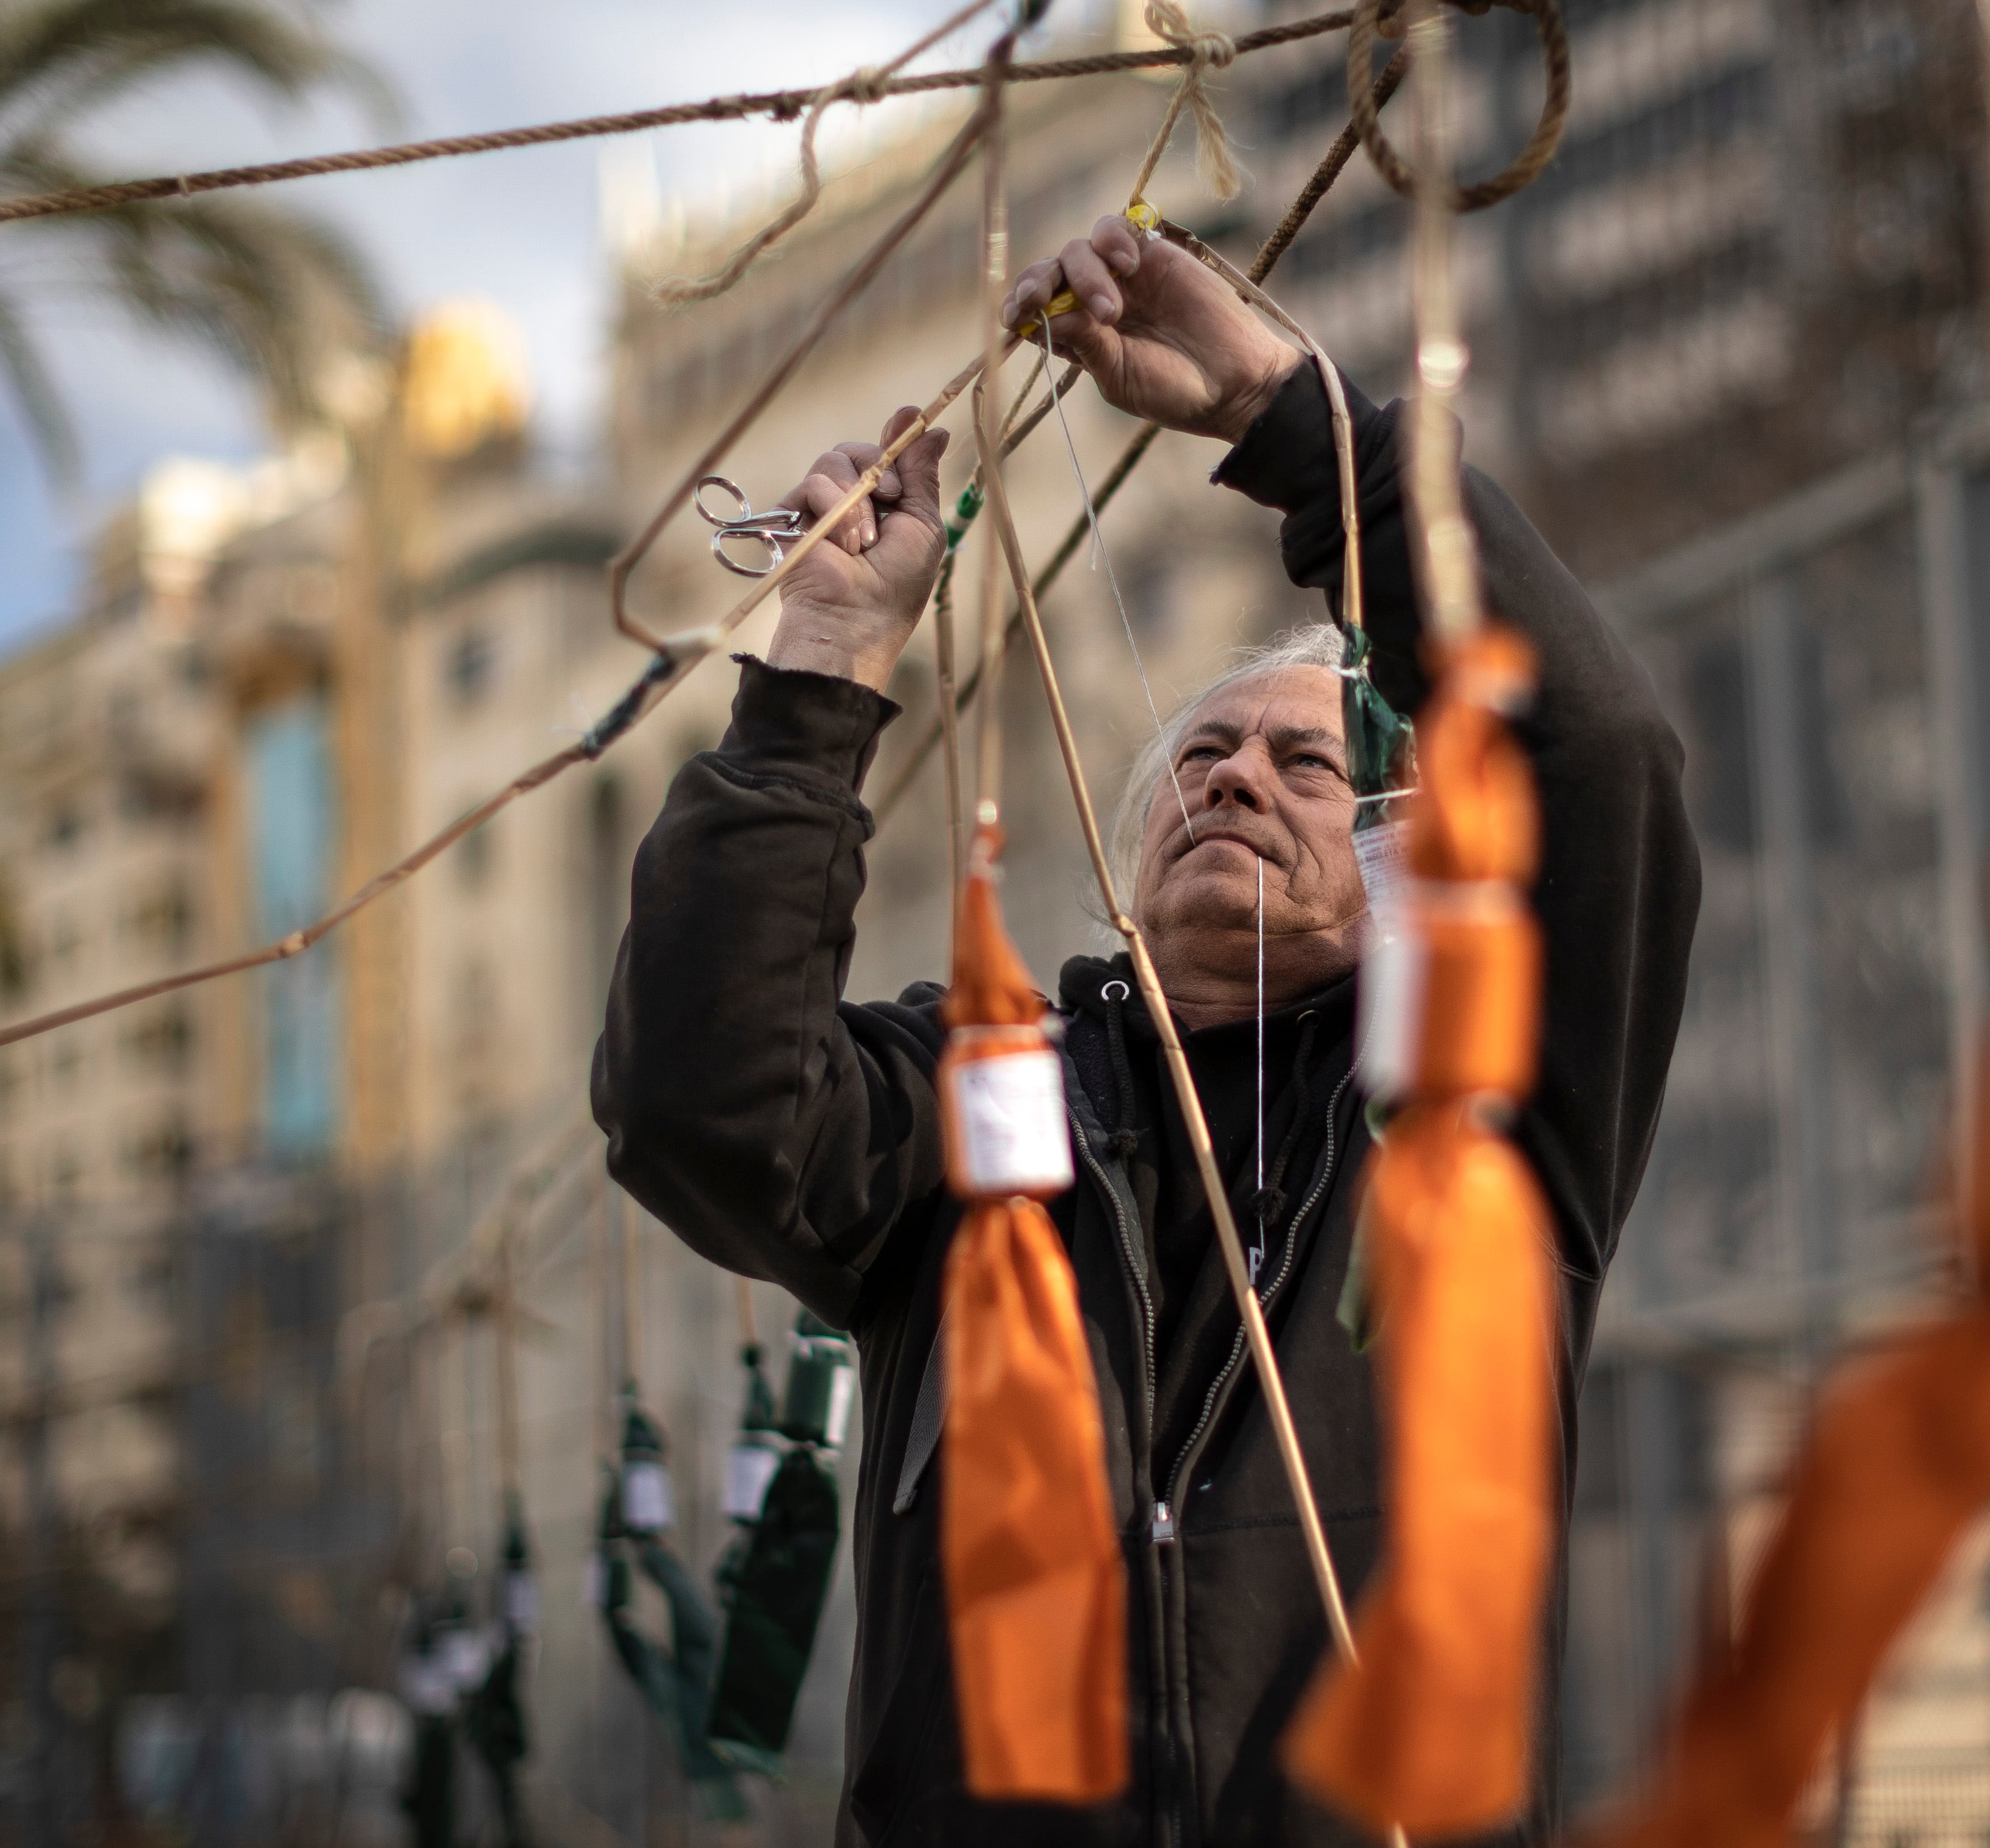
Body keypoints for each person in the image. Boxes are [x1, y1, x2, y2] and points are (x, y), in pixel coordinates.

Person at [594, 213, 1700, 1847]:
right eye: (1201, 761)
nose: (1239, 776)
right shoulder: (972, 1100)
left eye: (1307, 765)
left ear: (1394, 844)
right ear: (1127, 858)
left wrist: (1295, 417)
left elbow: (1596, 751)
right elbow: (699, 1102)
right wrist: (825, 660)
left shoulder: (1490, 1103)